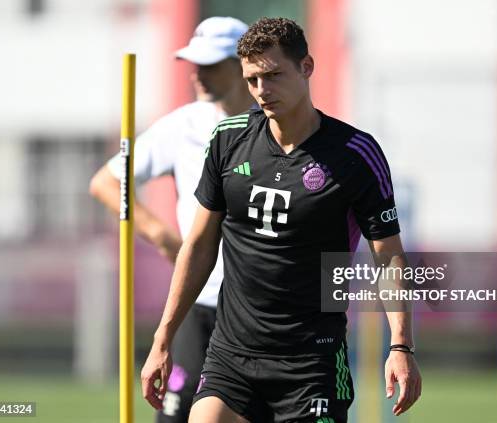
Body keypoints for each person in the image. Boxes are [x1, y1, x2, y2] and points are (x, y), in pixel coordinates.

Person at [140, 17, 422, 423]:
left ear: (306, 67)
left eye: (273, 75)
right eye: (252, 79)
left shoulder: (356, 153)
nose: (261, 91)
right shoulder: (228, 140)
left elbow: (389, 256)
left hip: (311, 362)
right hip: (231, 355)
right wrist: (162, 338)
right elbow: (199, 245)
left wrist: (401, 345)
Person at [89, 16, 254, 423]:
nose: (197, 73)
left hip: (259, 309)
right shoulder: (184, 126)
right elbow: (107, 182)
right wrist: (161, 235)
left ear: (241, 65)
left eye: (210, 63)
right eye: (194, 63)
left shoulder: (273, 124)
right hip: (197, 305)